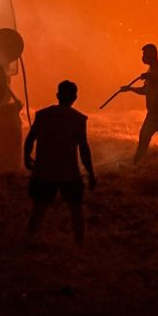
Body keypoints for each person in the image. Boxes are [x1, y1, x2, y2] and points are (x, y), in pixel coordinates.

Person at [24, 80, 96, 245]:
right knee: (76, 211)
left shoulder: (42, 115)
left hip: (44, 171)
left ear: (57, 95)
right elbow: (84, 149)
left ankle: (28, 241)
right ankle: (79, 246)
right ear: (75, 98)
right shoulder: (78, 119)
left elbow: (30, 139)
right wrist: (91, 174)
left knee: (38, 210)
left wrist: (26, 158)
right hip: (69, 173)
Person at [124, 43, 158, 163]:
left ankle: (136, 162)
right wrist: (130, 89)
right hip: (155, 111)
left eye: (145, 54)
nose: (143, 56)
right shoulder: (151, 70)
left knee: (146, 136)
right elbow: (145, 90)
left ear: (152, 55)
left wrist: (149, 76)